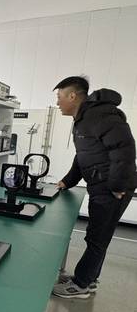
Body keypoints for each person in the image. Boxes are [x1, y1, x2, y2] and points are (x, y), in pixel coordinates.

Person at [51, 76, 136, 299]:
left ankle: (81, 286)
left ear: (72, 96)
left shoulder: (100, 115)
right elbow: (84, 156)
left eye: (59, 97)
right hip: (103, 185)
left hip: (112, 188)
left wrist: (117, 185)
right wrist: (68, 181)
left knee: (98, 237)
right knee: (97, 236)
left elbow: (125, 150)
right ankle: (88, 278)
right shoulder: (84, 119)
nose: (57, 103)